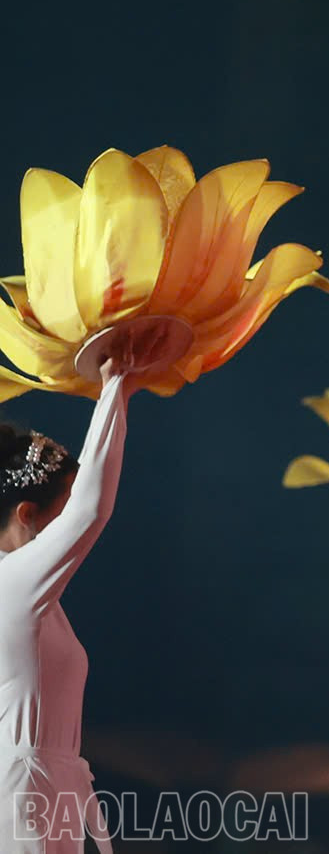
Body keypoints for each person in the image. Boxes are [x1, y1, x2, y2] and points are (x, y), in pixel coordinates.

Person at [0, 329, 166, 854]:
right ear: (27, 515)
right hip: (22, 800)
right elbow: (91, 510)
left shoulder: (35, 599)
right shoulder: (11, 585)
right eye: (61, 509)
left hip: (46, 795)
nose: (70, 527)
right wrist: (116, 386)